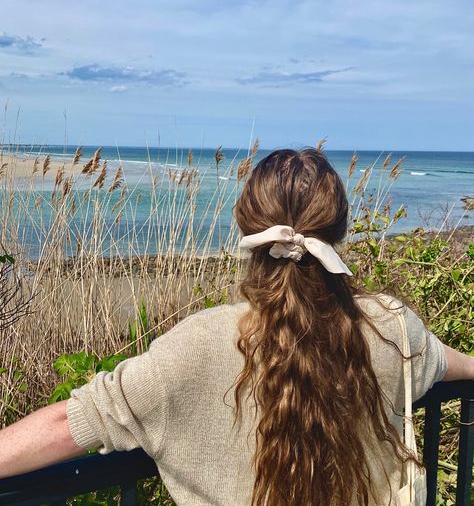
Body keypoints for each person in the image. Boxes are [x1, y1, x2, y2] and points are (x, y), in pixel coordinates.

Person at [0, 148, 472, 506]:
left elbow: (72, 421)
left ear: (246, 230)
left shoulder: (195, 346)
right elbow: (455, 365)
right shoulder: (391, 325)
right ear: (340, 232)